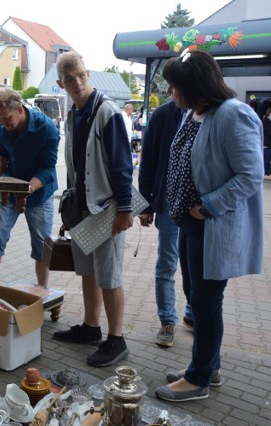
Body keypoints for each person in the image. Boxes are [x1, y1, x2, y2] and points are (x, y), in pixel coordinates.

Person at [154, 49, 263, 402]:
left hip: (210, 225)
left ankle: (198, 379)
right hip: (189, 222)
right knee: (196, 297)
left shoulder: (233, 114)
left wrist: (207, 207)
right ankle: (207, 366)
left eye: (175, 86)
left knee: (205, 300)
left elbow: (250, 175)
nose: (172, 93)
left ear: (194, 85)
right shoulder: (194, 114)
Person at [52, 52, 134, 367]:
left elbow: (122, 164)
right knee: (87, 271)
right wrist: (68, 211)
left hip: (108, 208)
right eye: (70, 79)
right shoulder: (73, 115)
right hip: (82, 209)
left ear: (88, 74)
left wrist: (125, 209)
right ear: (61, 83)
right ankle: (90, 327)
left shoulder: (107, 112)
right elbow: (73, 165)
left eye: (81, 75)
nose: (77, 83)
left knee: (109, 275)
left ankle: (117, 339)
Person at [0, 87, 59, 287]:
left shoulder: (47, 128)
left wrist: (28, 189)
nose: (3, 123)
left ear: (20, 109)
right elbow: (0, 150)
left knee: (42, 245)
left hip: (40, 193)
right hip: (9, 187)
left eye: (7, 118)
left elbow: (48, 167)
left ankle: (42, 290)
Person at [138, 100, 193, 348]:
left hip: (201, 205)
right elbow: (147, 160)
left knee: (197, 264)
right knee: (167, 263)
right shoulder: (162, 115)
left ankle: (192, 314)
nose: (172, 91)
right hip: (169, 202)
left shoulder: (209, 112)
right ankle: (167, 320)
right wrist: (146, 205)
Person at [263, 107, 271, 176]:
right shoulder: (266, 121)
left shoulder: (267, 121)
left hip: (267, 144)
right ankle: (266, 173)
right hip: (266, 144)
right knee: (266, 160)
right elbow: (269, 132)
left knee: (267, 160)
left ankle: (267, 172)